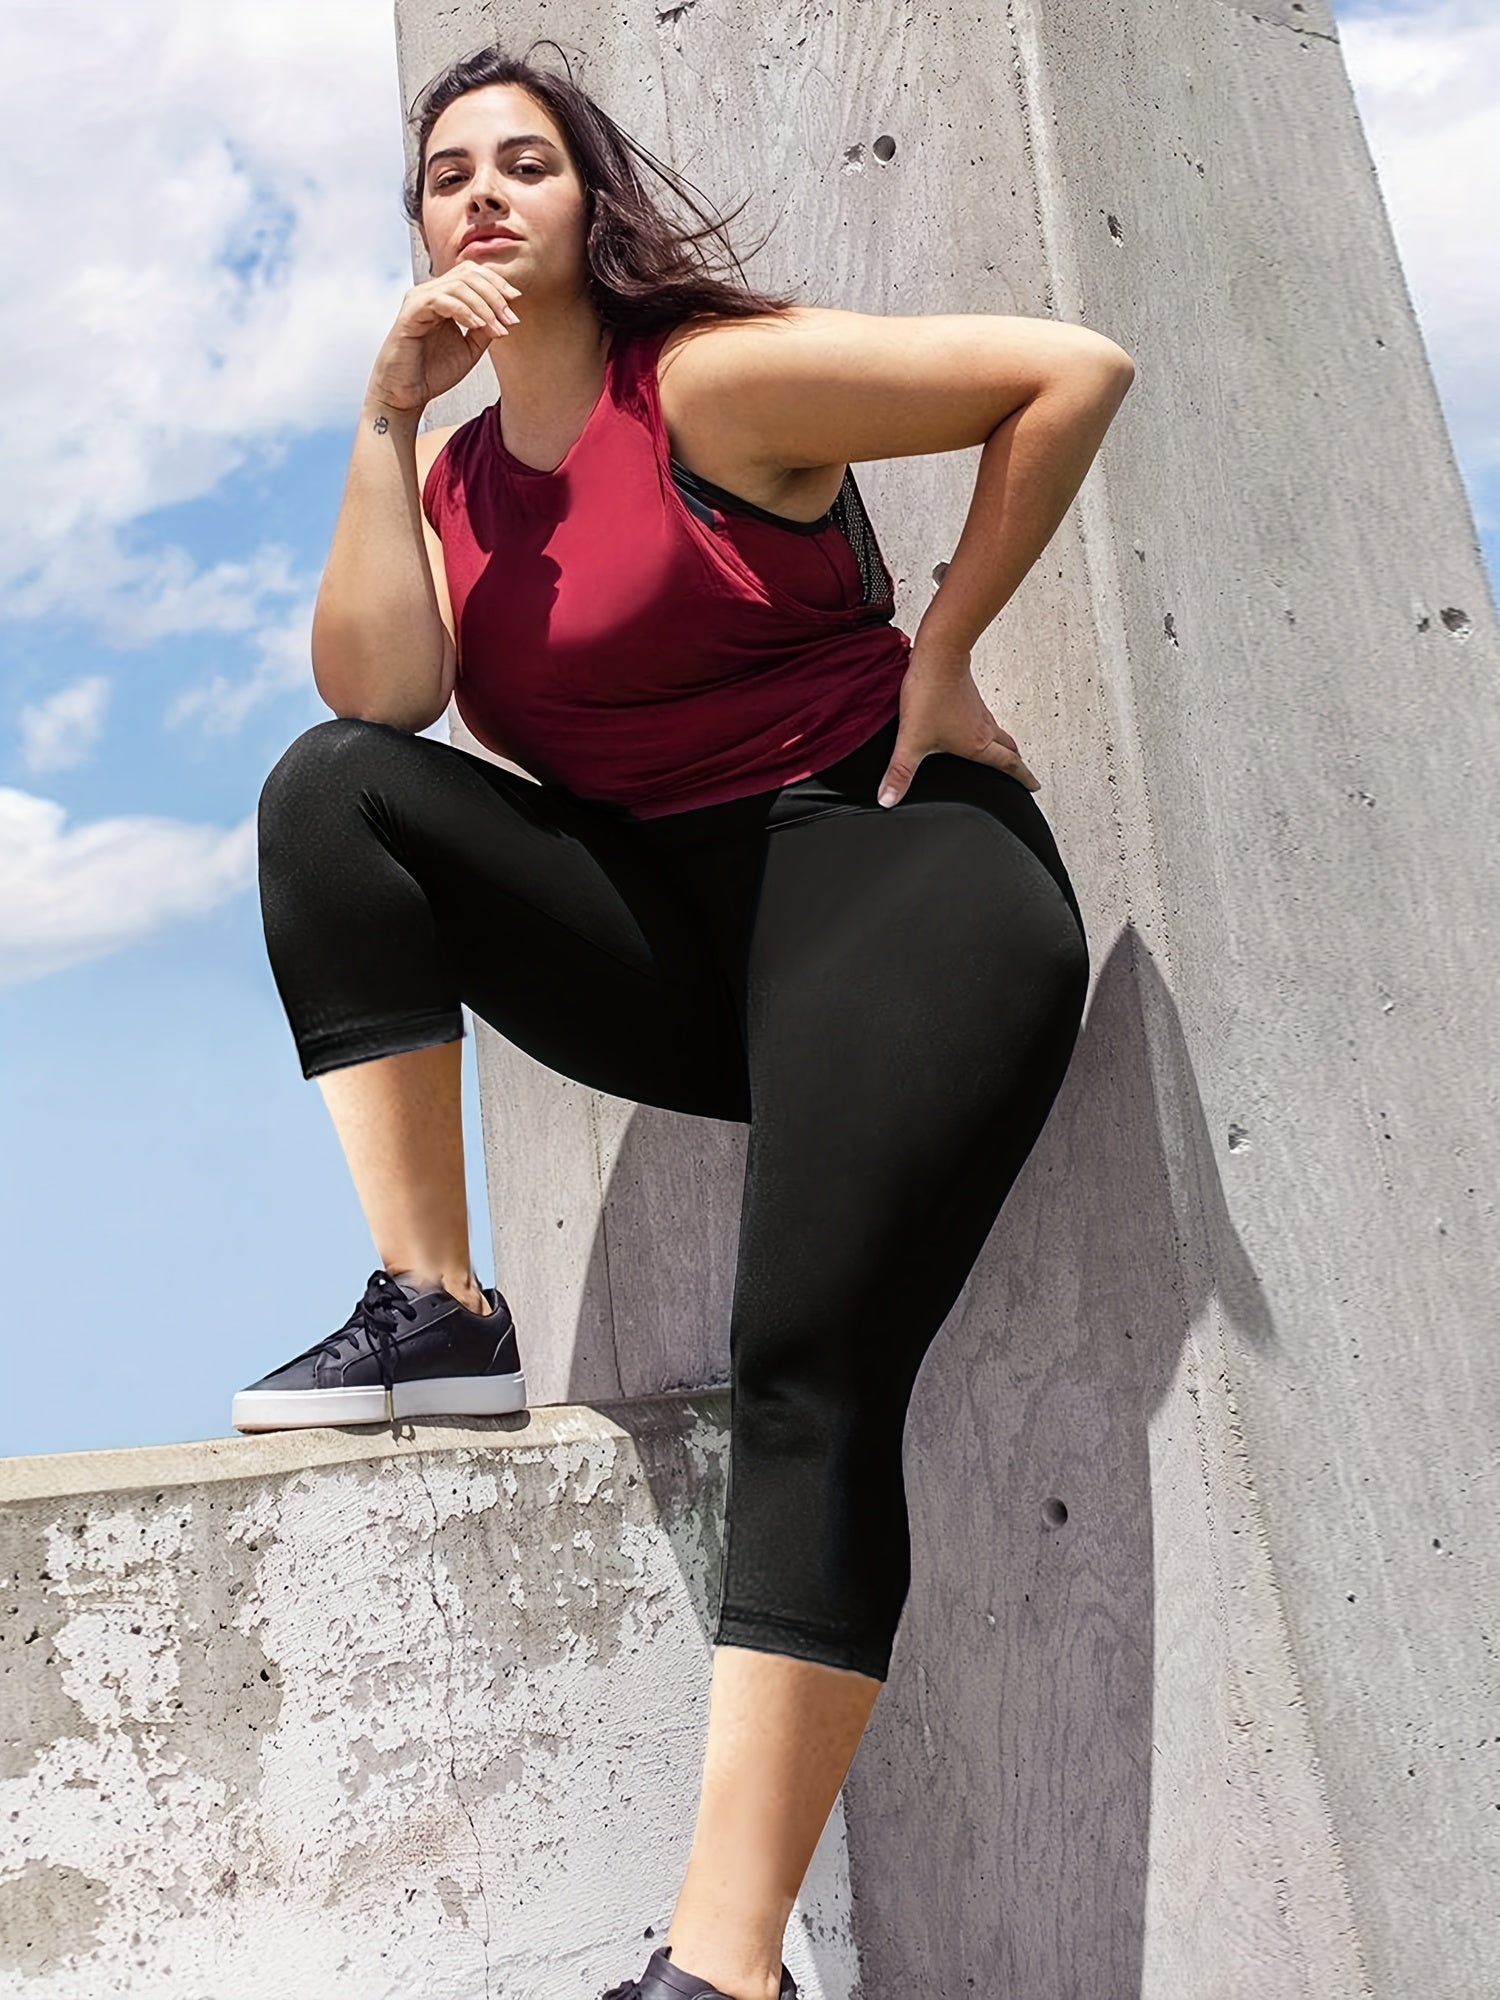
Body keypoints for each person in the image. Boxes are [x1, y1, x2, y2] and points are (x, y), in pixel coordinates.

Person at [236, 38, 1134, 2000]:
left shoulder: (708, 384)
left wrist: (947, 646)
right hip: (686, 945)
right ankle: (436, 1305)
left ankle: (722, 1969)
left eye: (526, 163)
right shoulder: (462, 483)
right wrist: (386, 418)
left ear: (592, 205)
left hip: (892, 879)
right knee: (328, 792)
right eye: (447, 173)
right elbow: (376, 706)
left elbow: (1069, 370)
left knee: (805, 1371)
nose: (484, 193)